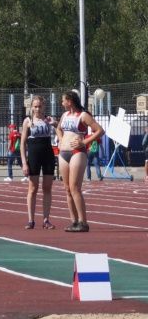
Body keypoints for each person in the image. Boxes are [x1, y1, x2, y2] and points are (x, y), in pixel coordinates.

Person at [56, 90, 104, 232]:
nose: (62, 102)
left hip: (77, 152)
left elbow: (99, 130)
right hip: (63, 152)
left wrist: (84, 141)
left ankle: (83, 222)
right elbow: (58, 129)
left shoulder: (83, 115)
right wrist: (60, 139)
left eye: (63, 100)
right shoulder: (64, 115)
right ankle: (74, 221)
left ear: (70, 101)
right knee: (67, 189)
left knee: (75, 187)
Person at [20, 95, 56, 230]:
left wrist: (55, 123)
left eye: (40, 106)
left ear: (44, 106)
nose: (37, 109)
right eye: (35, 106)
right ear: (31, 107)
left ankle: (46, 219)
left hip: (48, 155)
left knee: (47, 188)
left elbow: (61, 130)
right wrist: (24, 162)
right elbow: (23, 143)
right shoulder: (28, 121)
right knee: (33, 188)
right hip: (34, 156)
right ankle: (31, 220)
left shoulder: (48, 120)